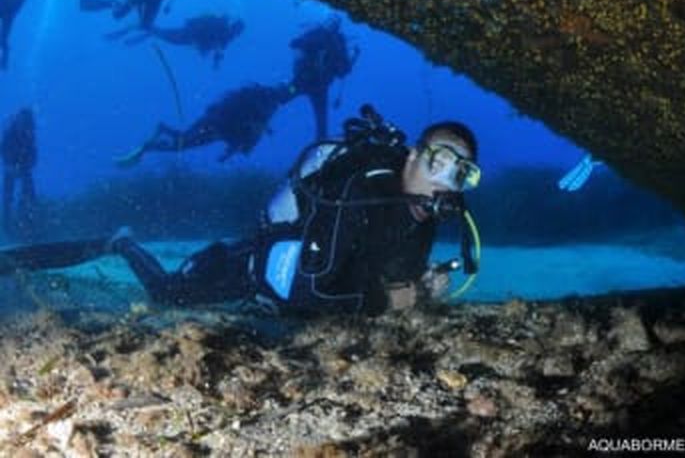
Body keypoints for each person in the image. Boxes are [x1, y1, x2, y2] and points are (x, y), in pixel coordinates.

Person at [3, 106, 482, 316]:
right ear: (415, 156)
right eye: (440, 161)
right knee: (167, 295)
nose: (445, 180)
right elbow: (310, 290)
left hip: (297, 287)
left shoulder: (423, 215)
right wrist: (401, 300)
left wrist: (422, 287)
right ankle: (121, 241)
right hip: (252, 272)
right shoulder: (361, 190)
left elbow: (387, 278)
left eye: (460, 173)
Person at [115, 83, 293, 167]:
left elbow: (246, 129)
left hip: (212, 117)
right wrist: (232, 152)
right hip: (218, 127)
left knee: (182, 139)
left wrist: (230, 151)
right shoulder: (268, 105)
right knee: (181, 145)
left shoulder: (260, 96)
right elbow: (251, 133)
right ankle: (148, 147)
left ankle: (163, 130)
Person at [289, 16, 358, 140]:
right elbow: (294, 43)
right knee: (284, 94)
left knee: (322, 122)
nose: (333, 25)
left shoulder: (338, 43)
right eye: (331, 22)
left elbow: (343, 71)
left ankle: (320, 144)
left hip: (319, 87)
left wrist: (354, 57)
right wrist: (310, 45)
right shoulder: (317, 33)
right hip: (303, 80)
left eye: (335, 23)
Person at [120, 14, 245, 68]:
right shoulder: (224, 31)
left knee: (166, 35)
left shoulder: (225, 32)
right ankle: (144, 26)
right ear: (235, 28)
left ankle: (145, 27)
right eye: (237, 31)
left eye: (237, 32)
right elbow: (218, 48)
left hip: (190, 35)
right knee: (167, 36)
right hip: (190, 35)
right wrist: (216, 62)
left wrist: (216, 60)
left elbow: (218, 49)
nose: (236, 34)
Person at [1, 108, 37, 236]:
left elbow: (33, 154)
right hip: (10, 166)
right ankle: (7, 225)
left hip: (24, 167)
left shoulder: (30, 133)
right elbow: (3, 149)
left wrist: (26, 166)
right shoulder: (9, 132)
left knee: (29, 194)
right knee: (8, 197)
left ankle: (28, 221)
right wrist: (10, 165)